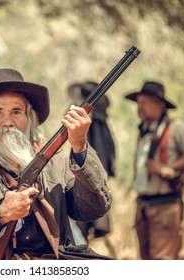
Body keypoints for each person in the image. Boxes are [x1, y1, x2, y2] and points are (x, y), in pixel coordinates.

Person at [0, 68, 112, 260]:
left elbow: (94, 208)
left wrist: (80, 148)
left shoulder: (56, 163)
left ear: (29, 118)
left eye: (16, 112)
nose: (8, 122)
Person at [125, 81, 184, 260]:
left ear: (160, 105)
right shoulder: (143, 131)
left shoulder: (176, 127)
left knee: (163, 263)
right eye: (139, 102)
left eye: (145, 102)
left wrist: (168, 168)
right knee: (146, 261)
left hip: (165, 206)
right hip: (143, 206)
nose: (140, 107)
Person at [67, 81, 115, 244]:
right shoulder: (87, 119)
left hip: (91, 177)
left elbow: (104, 151)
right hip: (78, 179)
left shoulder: (99, 122)